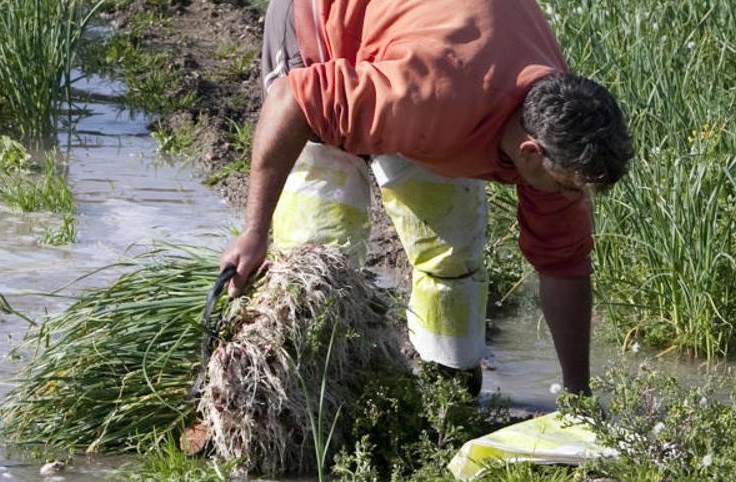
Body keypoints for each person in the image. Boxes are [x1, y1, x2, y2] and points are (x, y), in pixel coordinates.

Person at [219, 0, 633, 396]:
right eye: (565, 187)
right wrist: (254, 232)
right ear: (529, 153)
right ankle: (310, 390)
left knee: (450, 249)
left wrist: (578, 396)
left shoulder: (556, 133)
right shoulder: (433, 95)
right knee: (321, 250)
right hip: (322, 29)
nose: (568, 198)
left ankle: (448, 389)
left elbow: (565, 266)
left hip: (427, 63)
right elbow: (291, 100)